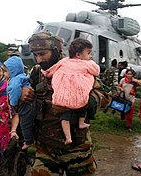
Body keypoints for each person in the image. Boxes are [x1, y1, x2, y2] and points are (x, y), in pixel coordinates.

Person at [20, 31, 98, 175]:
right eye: (35, 55)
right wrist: (22, 93)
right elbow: (24, 97)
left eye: (42, 54)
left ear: (56, 51)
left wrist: (86, 100)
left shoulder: (78, 66)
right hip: (45, 148)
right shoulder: (37, 72)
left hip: (76, 148)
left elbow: (103, 95)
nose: (38, 60)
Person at [42, 38, 100, 145]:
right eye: (88, 53)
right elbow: (96, 71)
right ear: (78, 54)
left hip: (62, 97)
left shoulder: (64, 61)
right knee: (83, 104)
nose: (90, 56)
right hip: (78, 96)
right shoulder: (87, 64)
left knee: (64, 117)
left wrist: (46, 73)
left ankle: (68, 137)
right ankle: (81, 122)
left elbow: (51, 70)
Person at [3, 56, 35, 149]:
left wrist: (13, 103)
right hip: (29, 104)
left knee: (25, 123)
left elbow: (14, 90)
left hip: (26, 105)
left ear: (12, 71)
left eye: (5, 71)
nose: (4, 74)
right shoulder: (21, 76)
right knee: (27, 122)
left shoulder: (15, 80)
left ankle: (29, 141)